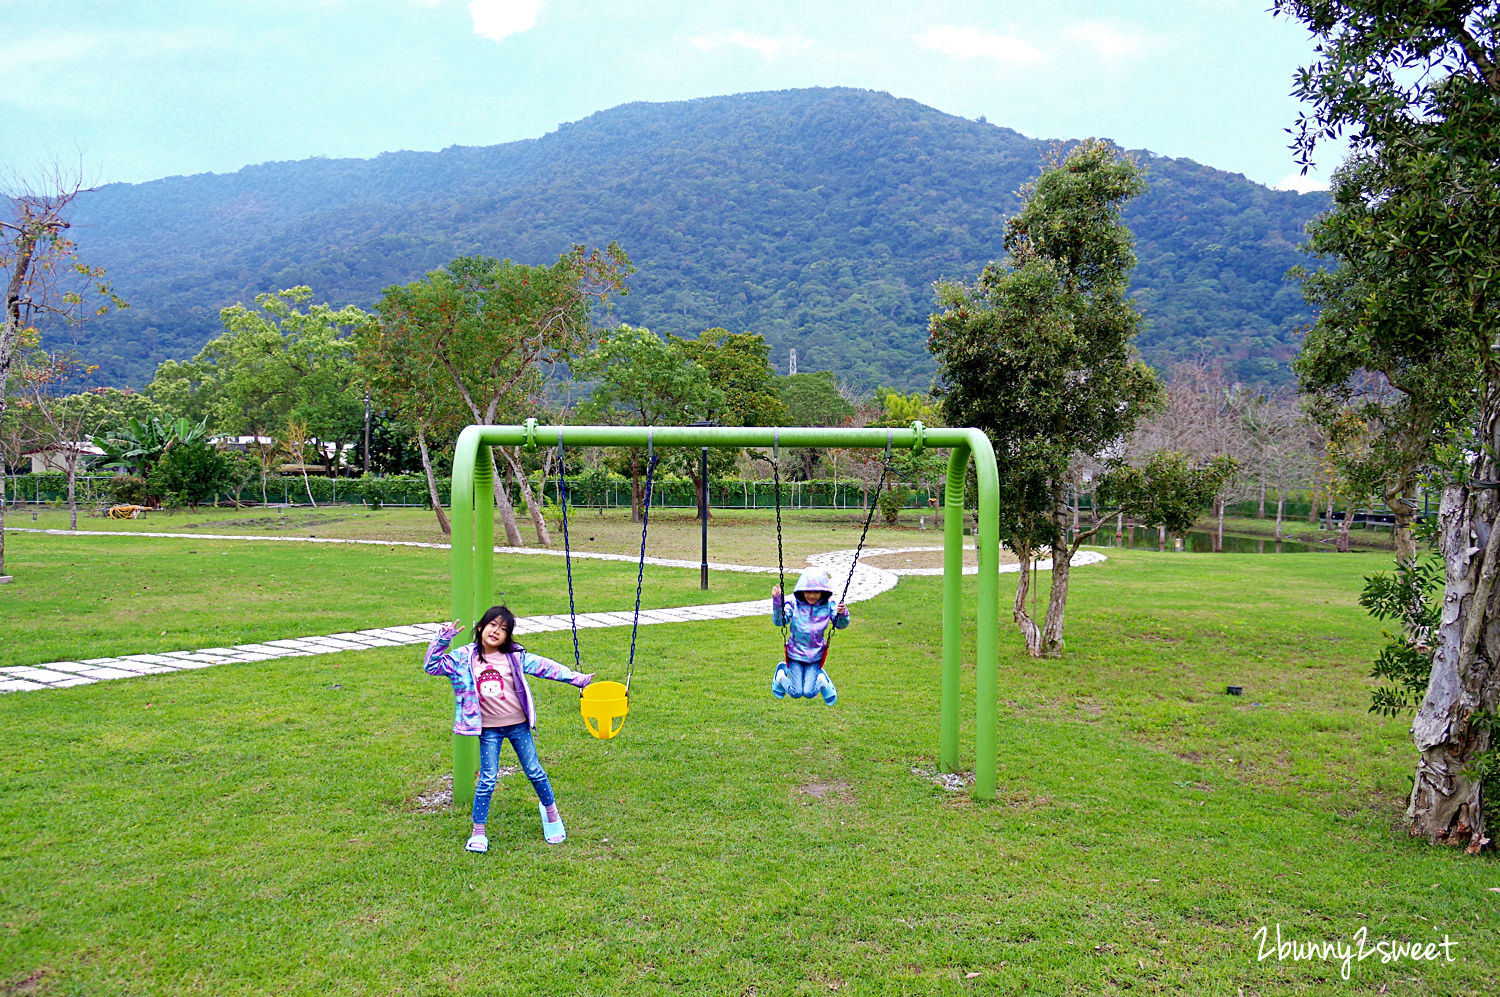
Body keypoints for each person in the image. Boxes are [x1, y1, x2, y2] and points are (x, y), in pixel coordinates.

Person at [424, 605, 593, 853]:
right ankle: (478, 832)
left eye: (503, 629)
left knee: (534, 771)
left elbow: (544, 666)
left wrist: (575, 678)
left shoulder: (514, 656)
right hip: (489, 730)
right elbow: (431, 666)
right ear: (481, 626)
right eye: (492, 625)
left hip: (517, 726)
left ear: (507, 636)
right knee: (487, 779)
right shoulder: (462, 657)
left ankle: (552, 814)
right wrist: (442, 640)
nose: (496, 631)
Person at [770, 566, 849, 705]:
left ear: (823, 592)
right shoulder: (794, 604)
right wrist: (777, 601)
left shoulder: (828, 605)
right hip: (795, 654)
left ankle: (821, 681)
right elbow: (779, 621)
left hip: (815, 656)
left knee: (809, 692)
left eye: (816, 592)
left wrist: (842, 613)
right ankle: (781, 676)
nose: (811, 595)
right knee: (795, 692)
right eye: (808, 591)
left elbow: (841, 624)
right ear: (802, 590)